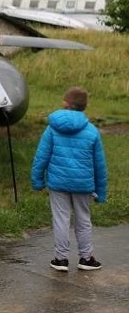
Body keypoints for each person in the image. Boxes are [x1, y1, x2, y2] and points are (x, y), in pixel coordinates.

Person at [31, 86, 107, 272]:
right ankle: (86, 258)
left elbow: (41, 156)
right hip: (83, 184)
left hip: (58, 184)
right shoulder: (92, 131)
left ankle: (61, 259)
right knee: (83, 220)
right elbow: (100, 165)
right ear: (85, 106)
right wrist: (101, 192)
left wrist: (37, 180)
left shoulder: (52, 128)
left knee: (60, 219)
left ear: (65, 103)